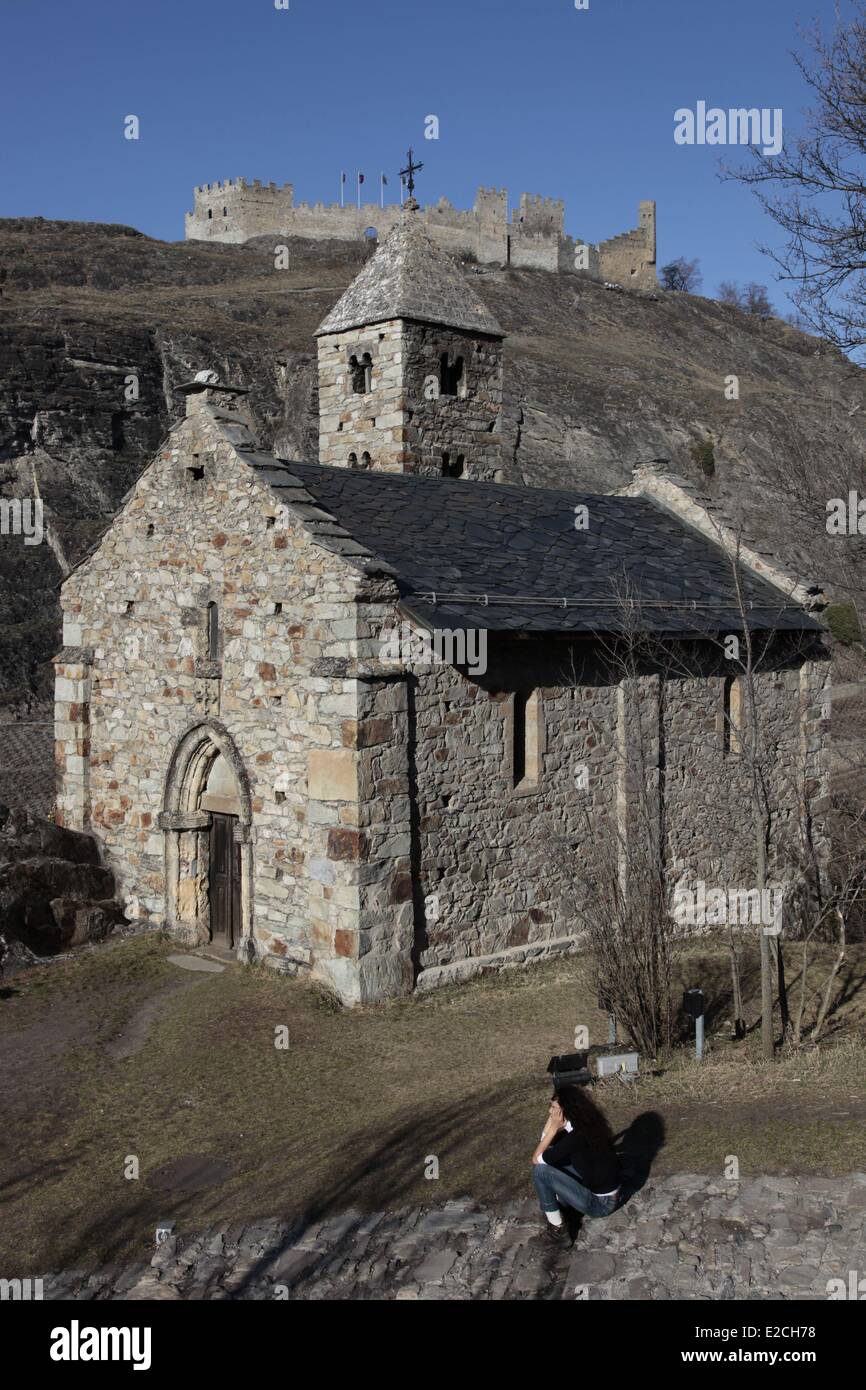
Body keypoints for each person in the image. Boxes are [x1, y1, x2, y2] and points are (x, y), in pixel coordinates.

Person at [531, 1084, 622, 1243]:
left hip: (602, 1204)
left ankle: (558, 1230)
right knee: (552, 1163)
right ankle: (565, 1206)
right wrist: (554, 1122)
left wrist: (553, 1128)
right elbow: (546, 1145)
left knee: (540, 1171)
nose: (550, 1111)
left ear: (564, 1112)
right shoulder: (587, 1124)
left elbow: (537, 1158)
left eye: (553, 1108)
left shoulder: (575, 1138)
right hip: (609, 1192)